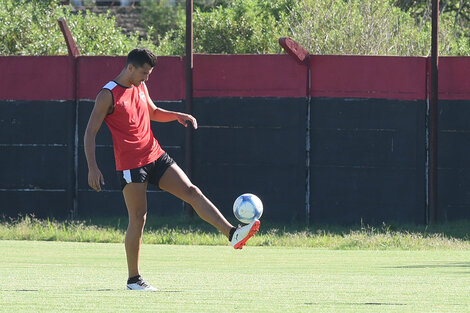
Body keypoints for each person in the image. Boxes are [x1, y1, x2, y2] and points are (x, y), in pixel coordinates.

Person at [84, 48, 260, 291]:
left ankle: (233, 234)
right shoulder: (107, 94)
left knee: (192, 191)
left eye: (149, 73)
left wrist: (177, 115)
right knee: (138, 217)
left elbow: (153, 112)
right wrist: (92, 167)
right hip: (131, 165)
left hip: (155, 155)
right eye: (144, 72)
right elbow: (90, 132)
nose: (147, 78)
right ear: (131, 68)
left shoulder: (140, 86)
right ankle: (134, 280)